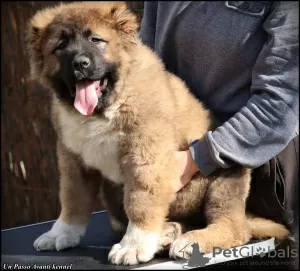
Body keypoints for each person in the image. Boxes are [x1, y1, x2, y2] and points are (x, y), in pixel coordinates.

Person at [139, 1, 299, 234]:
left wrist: (195, 159)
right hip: (176, 162)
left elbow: (281, 105)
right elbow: (147, 68)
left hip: (258, 168)